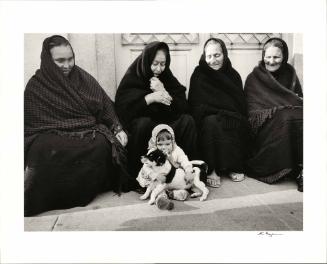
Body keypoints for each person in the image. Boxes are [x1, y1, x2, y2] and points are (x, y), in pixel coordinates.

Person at [24, 35, 133, 216]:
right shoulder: (36, 86)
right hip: (52, 135)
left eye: (70, 59)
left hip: (86, 131)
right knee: (43, 148)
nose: (67, 65)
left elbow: (104, 104)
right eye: (60, 61)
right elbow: (31, 126)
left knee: (100, 143)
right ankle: (52, 197)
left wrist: (117, 127)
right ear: (48, 61)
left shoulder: (82, 78)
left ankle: (84, 192)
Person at [115, 41, 197, 180]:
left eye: (163, 64)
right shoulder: (133, 77)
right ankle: (142, 178)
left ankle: (186, 174)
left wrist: (163, 91)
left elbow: (183, 106)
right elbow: (123, 111)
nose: (159, 69)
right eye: (154, 64)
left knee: (187, 121)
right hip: (146, 129)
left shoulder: (166, 77)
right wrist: (149, 98)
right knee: (143, 124)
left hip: (165, 127)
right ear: (146, 61)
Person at [188, 38, 250, 188]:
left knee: (234, 121)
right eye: (209, 56)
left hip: (230, 116)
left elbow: (240, 104)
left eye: (217, 55)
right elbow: (195, 105)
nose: (213, 60)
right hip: (207, 118)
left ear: (225, 54)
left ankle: (232, 166)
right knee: (212, 122)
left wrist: (226, 112)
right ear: (204, 56)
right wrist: (218, 110)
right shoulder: (199, 74)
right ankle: (212, 169)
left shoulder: (233, 75)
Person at [244, 37, 303, 192]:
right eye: (267, 57)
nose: (271, 61)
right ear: (263, 56)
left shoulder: (290, 73)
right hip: (264, 127)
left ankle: (302, 169)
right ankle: (289, 169)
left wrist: (286, 108)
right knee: (287, 117)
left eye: (276, 57)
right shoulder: (254, 78)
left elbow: (298, 99)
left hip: (287, 119)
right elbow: (252, 113)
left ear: (283, 57)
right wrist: (280, 110)